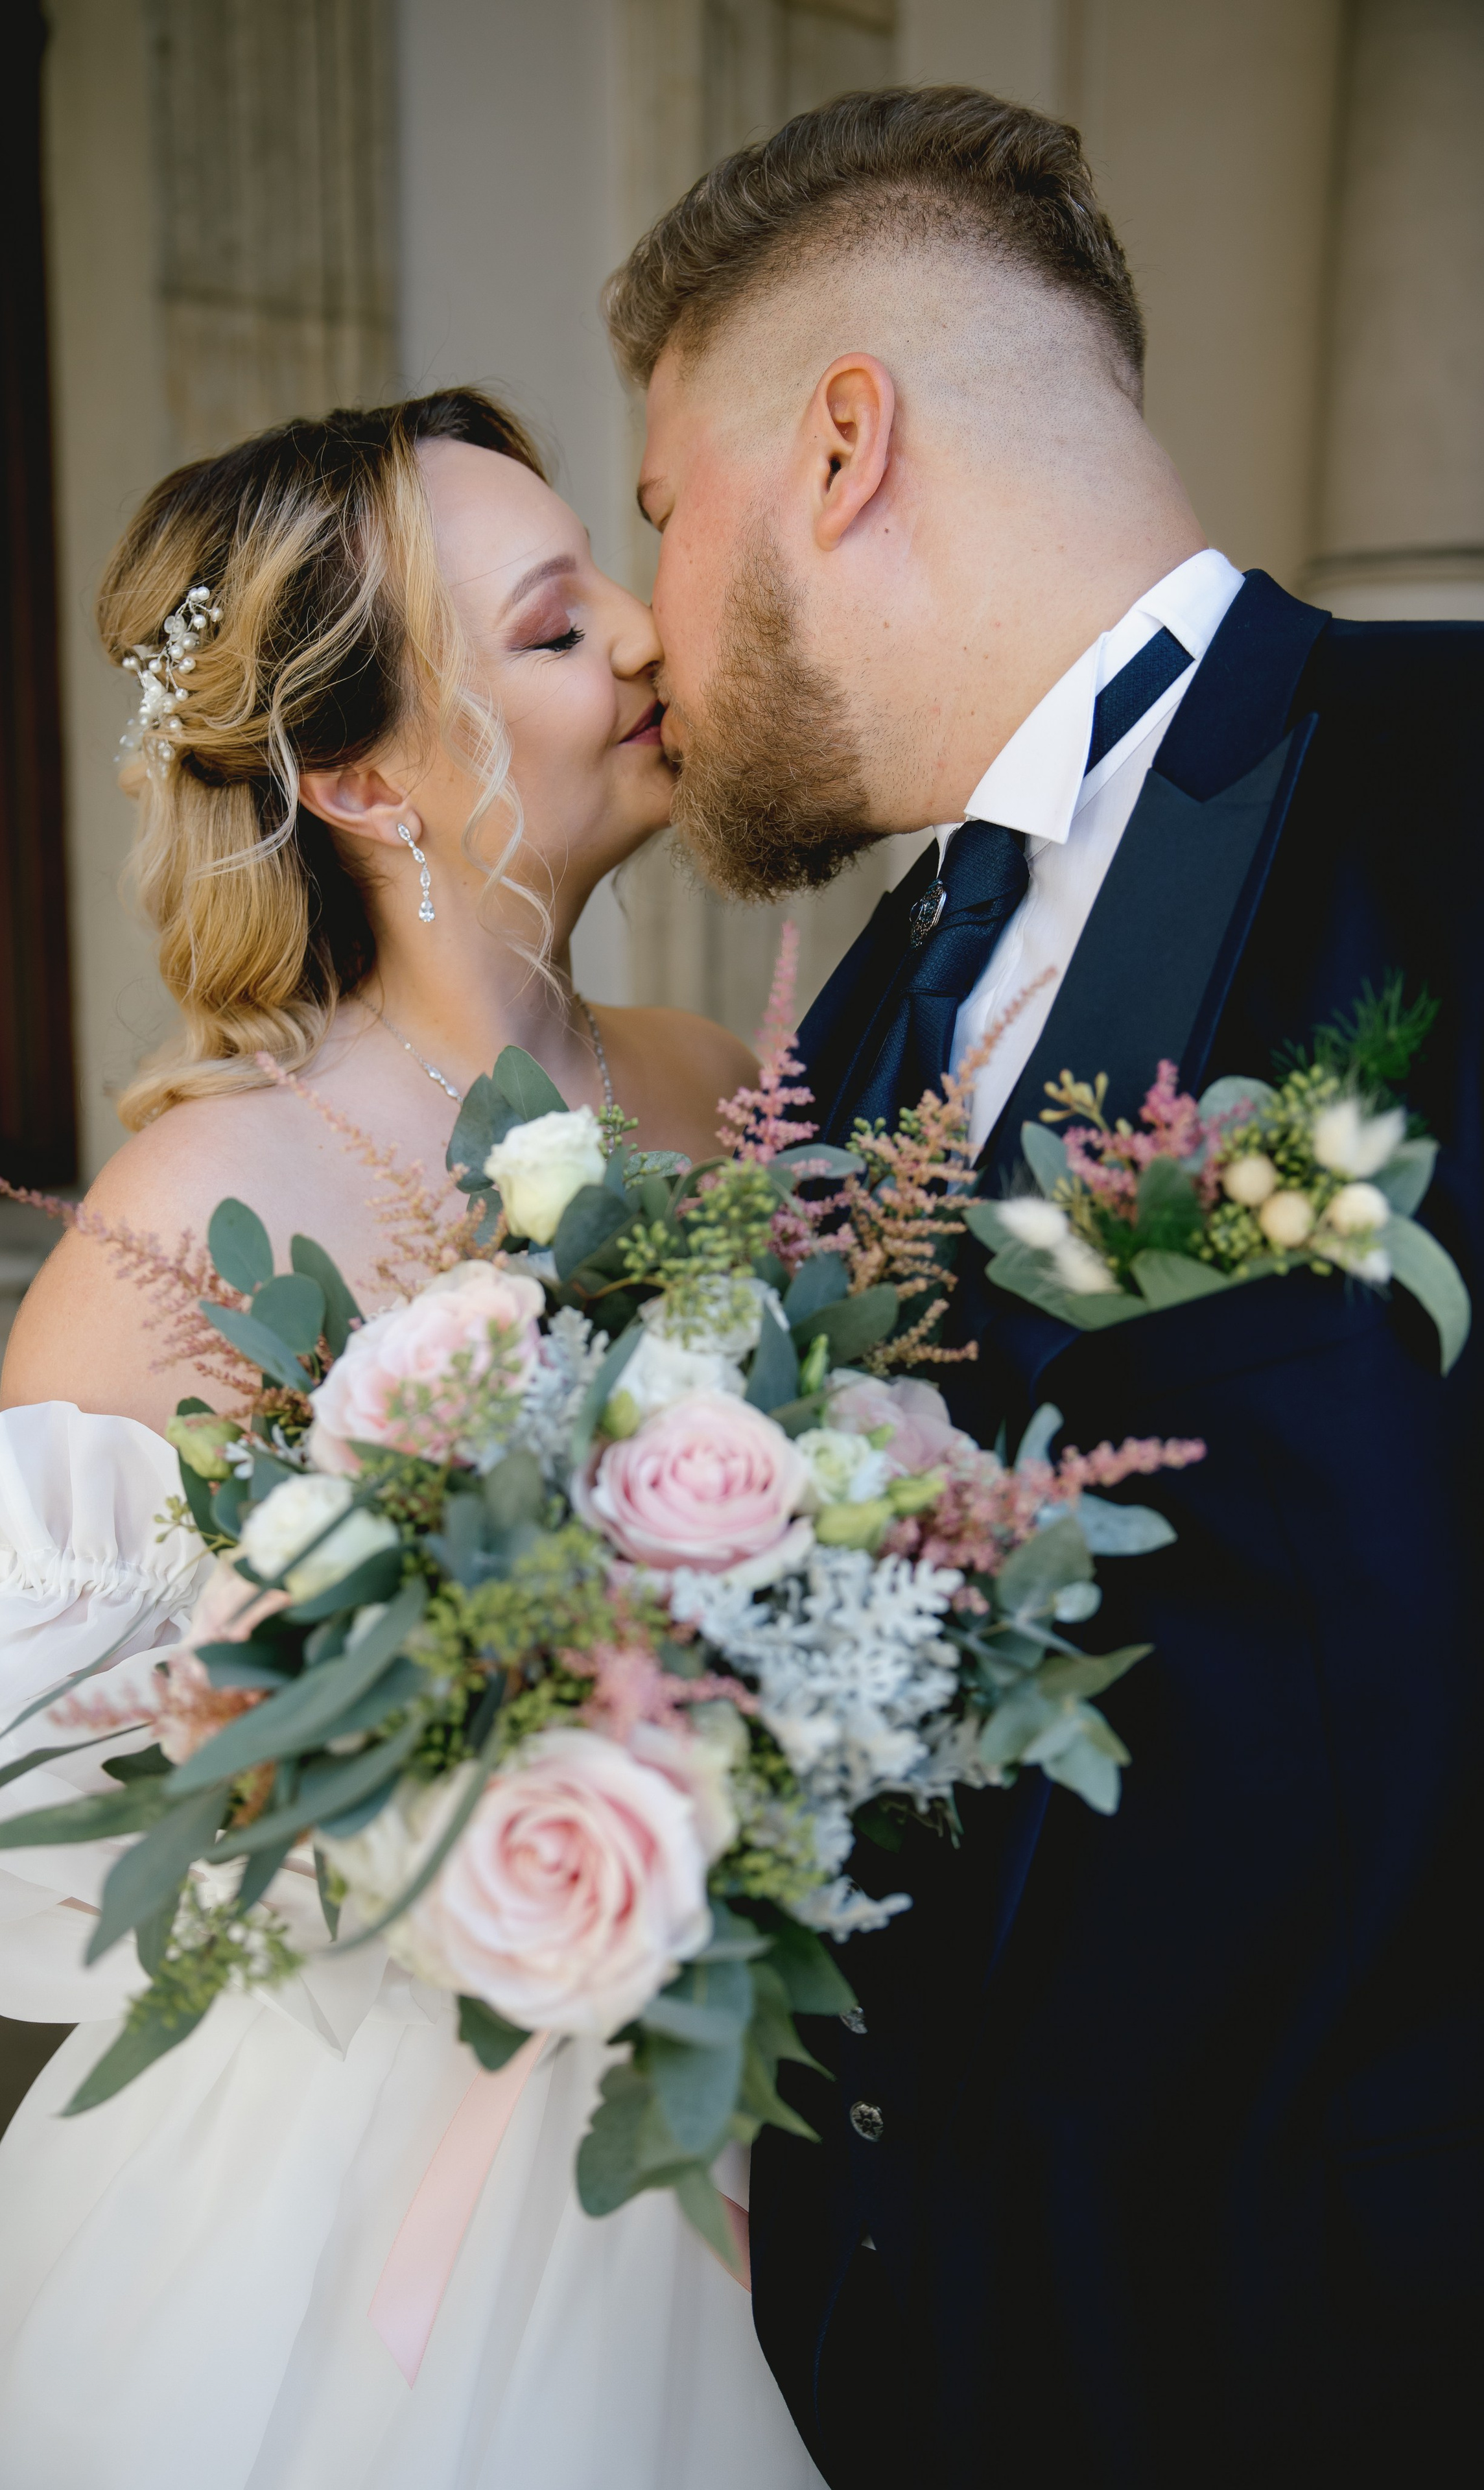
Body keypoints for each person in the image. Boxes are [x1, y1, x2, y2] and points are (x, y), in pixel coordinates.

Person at [606, 83, 1481, 2490]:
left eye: (664, 514)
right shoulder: (867, 1009)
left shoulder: (1452, 787)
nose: (653, 632)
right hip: (919, 2357)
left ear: (842, 446)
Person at [0, 390, 823, 2490]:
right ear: (364, 773)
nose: (649, 636)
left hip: (786, 2094)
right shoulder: (197, 1226)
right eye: (559, 629)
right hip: (379, 2192)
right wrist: (425, 1790)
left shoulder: (723, 1086)